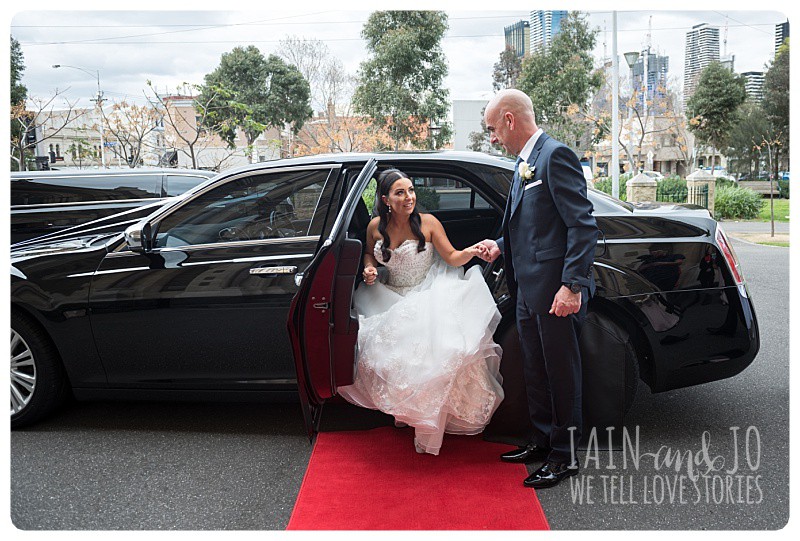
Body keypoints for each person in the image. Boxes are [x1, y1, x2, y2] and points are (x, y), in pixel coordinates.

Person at [478, 89, 599, 489]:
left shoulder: (554, 156)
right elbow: (526, 223)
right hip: (527, 290)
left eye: (493, 129)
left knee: (561, 372)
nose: (492, 137)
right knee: (535, 369)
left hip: (554, 292)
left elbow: (582, 226)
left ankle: (564, 457)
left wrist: (571, 285)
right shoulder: (524, 163)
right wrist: (501, 244)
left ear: (510, 120)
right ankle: (542, 440)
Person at [338, 168, 505, 456]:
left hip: (426, 291)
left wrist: (474, 251)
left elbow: (452, 258)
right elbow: (369, 252)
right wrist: (369, 268)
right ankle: (403, 410)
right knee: (374, 347)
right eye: (400, 192)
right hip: (387, 293)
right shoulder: (375, 226)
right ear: (386, 199)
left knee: (430, 350)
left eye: (411, 191)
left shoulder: (428, 223)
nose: (409, 197)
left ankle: (425, 415)